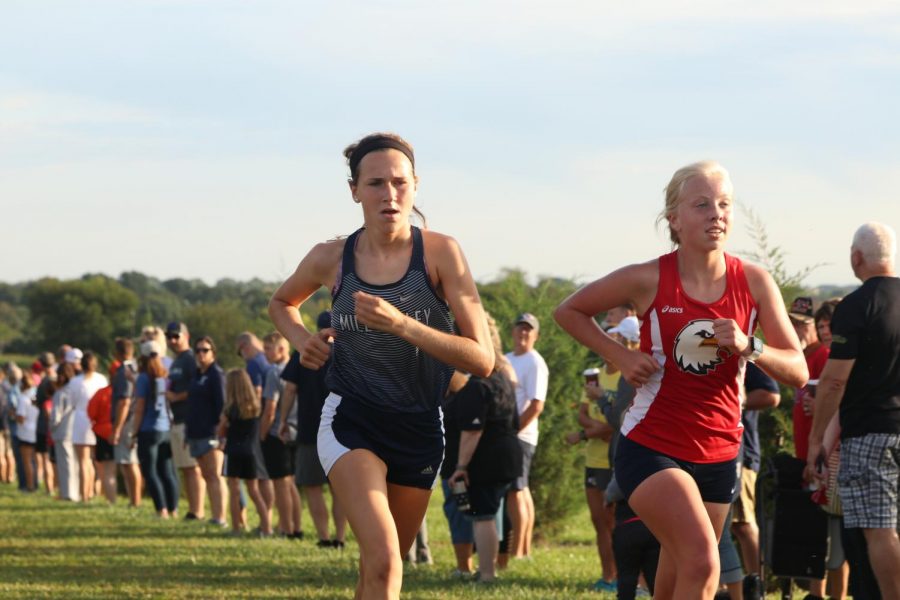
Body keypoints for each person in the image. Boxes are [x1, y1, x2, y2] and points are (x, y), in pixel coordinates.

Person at [554, 160, 807, 599]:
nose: (717, 214)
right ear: (673, 218)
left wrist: (751, 345)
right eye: (702, 204)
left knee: (675, 583)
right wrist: (618, 355)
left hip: (720, 453)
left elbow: (798, 369)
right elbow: (568, 310)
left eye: (725, 204)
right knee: (704, 563)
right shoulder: (649, 278)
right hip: (652, 446)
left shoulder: (754, 282)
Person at [268, 132, 493, 598]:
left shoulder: (440, 253)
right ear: (354, 191)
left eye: (399, 182)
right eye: (375, 184)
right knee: (387, 559)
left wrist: (404, 326)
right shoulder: (332, 257)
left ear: (415, 185)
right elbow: (281, 303)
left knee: (382, 569)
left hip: (419, 427)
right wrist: (302, 340)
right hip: (351, 419)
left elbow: (483, 359)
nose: (389, 194)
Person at [808, 222, 900, 599]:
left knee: (879, 529)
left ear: (856, 257)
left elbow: (833, 381)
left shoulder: (857, 305)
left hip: (870, 434)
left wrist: (817, 439)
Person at [446, 313, 523, 582]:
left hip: (488, 459)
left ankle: (488, 574)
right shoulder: (502, 376)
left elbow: (472, 430)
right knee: (490, 512)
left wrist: (461, 467)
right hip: (508, 454)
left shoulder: (477, 385)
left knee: (484, 516)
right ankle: (488, 568)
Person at [565, 315, 640, 592]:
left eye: (615, 339)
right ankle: (607, 576)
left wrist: (588, 432)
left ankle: (631, 579)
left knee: (622, 522)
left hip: (618, 456)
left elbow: (617, 421)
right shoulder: (595, 374)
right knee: (600, 523)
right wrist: (597, 428)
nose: (609, 344)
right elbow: (584, 415)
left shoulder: (628, 374)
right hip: (596, 458)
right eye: (606, 340)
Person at [278, 311, 347, 547]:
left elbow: (289, 390)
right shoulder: (346, 354)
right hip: (343, 427)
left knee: (313, 486)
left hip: (311, 428)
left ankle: (323, 536)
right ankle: (340, 537)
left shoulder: (303, 351)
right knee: (340, 488)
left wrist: (283, 419)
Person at [505, 312, 549, 560]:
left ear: (536, 336)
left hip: (520, 435)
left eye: (528, 330)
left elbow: (536, 405)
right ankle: (523, 549)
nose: (523, 333)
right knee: (521, 490)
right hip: (514, 435)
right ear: (512, 331)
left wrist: (513, 431)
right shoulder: (508, 359)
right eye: (520, 328)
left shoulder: (534, 362)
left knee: (516, 491)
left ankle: (519, 552)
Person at [218, 368, 271, 536]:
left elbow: (221, 431)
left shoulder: (229, 410)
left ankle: (236, 528)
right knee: (254, 491)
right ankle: (266, 528)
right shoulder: (256, 407)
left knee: (234, 491)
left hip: (233, 451)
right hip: (252, 452)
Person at [259, 332, 301, 537]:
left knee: (281, 483)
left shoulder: (274, 372)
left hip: (278, 432)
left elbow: (270, 408)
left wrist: (262, 434)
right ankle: (297, 525)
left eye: (268, 348)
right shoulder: (301, 365)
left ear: (282, 349)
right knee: (291, 482)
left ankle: (286, 527)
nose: (265, 353)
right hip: (298, 431)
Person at [131, 340, 179, 518]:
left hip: (148, 429)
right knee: (167, 470)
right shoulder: (165, 375)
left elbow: (140, 407)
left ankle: (161, 509)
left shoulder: (144, 378)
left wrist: (134, 432)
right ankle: (173, 508)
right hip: (165, 428)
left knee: (151, 471)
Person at [186, 335, 228, 527]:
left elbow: (223, 406)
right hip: (196, 432)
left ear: (213, 353)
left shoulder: (215, 375)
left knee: (215, 475)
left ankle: (221, 517)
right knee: (206, 475)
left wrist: (221, 433)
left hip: (212, 433)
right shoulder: (196, 374)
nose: (201, 354)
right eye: (198, 350)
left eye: (205, 350)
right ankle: (214, 514)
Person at [165, 321, 205, 520]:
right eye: (169, 336)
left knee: (193, 468)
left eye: (176, 336)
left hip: (189, 418)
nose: (172, 340)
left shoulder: (190, 359)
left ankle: (197, 510)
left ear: (186, 336)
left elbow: (196, 388)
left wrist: (176, 397)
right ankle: (192, 509)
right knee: (186, 468)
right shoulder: (177, 360)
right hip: (177, 419)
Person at [69, 351, 108, 502]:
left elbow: (72, 402)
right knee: (95, 461)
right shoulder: (101, 379)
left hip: (81, 421)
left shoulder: (75, 382)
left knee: (83, 461)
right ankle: (94, 491)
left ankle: (84, 494)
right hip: (97, 421)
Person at [109, 338, 142, 507]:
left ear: (117, 354)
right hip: (132, 418)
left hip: (127, 420)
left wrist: (117, 428)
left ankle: (135, 500)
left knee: (129, 462)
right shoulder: (136, 368)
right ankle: (133, 499)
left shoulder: (124, 372)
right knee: (128, 462)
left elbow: (124, 401)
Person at [50, 362, 79, 500]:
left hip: (62, 431)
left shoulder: (60, 393)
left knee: (64, 464)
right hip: (76, 430)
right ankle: (76, 492)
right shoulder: (76, 389)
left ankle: (67, 493)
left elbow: (56, 416)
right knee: (75, 463)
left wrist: (51, 427)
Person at [15, 371, 39, 491]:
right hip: (35, 430)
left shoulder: (23, 398)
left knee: (27, 461)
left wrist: (13, 415)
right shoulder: (35, 396)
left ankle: (30, 485)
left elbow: (21, 418)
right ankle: (35, 482)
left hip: (25, 433)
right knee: (34, 460)